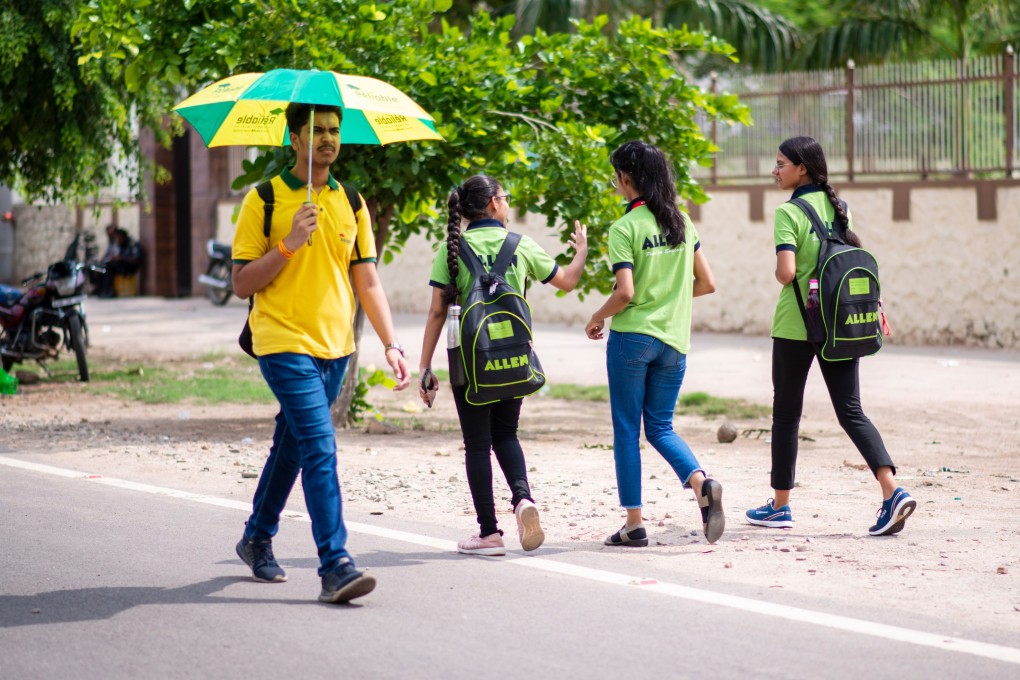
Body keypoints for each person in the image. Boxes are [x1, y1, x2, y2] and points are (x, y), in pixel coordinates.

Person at [231, 103, 411, 603]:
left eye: (334, 131)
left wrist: (391, 342)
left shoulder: (351, 201)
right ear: (294, 138)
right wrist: (289, 243)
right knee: (320, 448)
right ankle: (335, 565)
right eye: (317, 131)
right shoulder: (263, 199)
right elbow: (242, 281)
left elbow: (368, 280)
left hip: (337, 347)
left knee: (292, 446)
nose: (328, 139)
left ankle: (256, 536)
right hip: (282, 340)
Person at [745, 135, 916, 537]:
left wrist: (781, 271)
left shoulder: (788, 213)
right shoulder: (842, 209)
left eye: (781, 163)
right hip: (839, 325)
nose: (776, 170)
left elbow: (787, 273)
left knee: (786, 415)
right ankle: (891, 490)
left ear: (802, 168)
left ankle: (780, 505)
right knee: (851, 410)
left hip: (795, 325)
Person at [417, 174, 588, 556]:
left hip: (468, 363)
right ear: (494, 202)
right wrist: (582, 250)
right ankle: (523, 500)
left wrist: (424, 367)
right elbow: (568, 282)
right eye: (506, 198)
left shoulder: (451, 248)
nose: (508, 204)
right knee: (506, 434)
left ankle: (489, 533)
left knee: (477, 444)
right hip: (513, 357)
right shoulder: (521, 244)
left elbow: (435, 312)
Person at [585, 140, 725, 547]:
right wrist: (669, 298)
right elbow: (708, 283)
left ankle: (633, 523)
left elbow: (625, 292)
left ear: (626, 178)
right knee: (660, 427)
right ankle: (701, 483)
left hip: (632, 341)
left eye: (616, 175)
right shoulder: (682, 221)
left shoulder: (625, 227)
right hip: (675, 342)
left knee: (628, 430)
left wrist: (597, 316)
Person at [96, 228, 143, 297]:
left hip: (130, 267)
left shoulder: (133, 244)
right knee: (101, 267)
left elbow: (137, 260)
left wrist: (121, 257)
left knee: (108, 267)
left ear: (124, 237)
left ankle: (110, 290)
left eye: (119, 238)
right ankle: (101, 290)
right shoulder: (117, 244)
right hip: (120, 265)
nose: (117, 240)